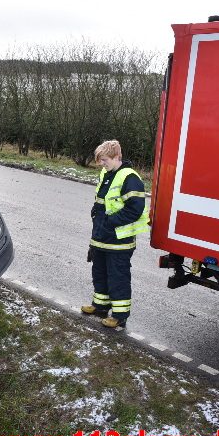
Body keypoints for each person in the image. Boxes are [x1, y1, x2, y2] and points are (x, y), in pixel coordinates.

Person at [81, 140, 149, 328]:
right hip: (101, 236)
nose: (102, 164)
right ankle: (100, 306)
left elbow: (135, 210)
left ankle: (120, 315)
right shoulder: (106, 173)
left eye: (104, 160)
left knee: (117, 276)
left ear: (117, 157)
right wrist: (95, 213)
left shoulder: (130, 177)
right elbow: (102, 200)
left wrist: (110, 223)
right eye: (100, 161)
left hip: (119, 240)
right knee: (99, 271)